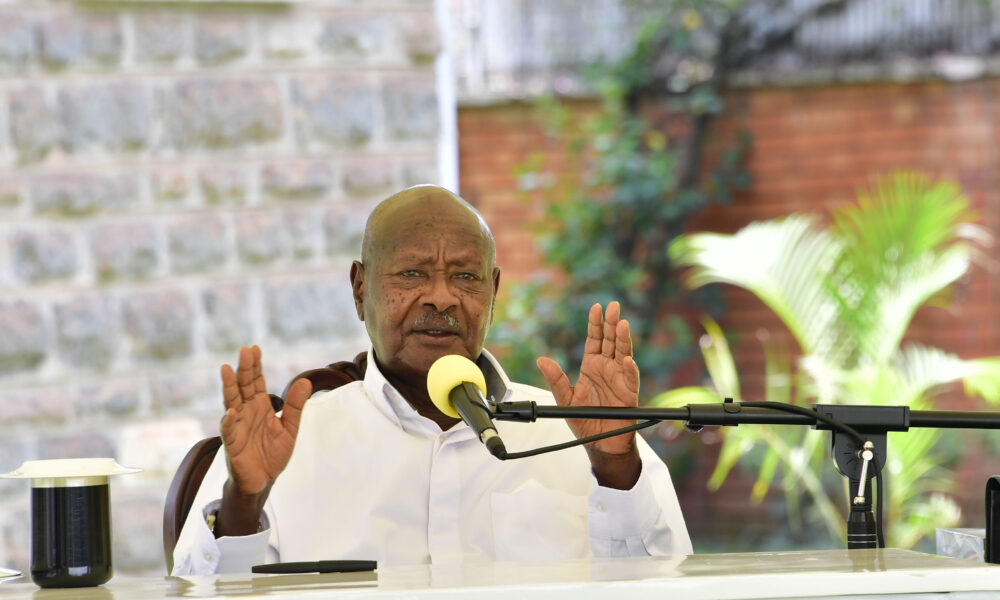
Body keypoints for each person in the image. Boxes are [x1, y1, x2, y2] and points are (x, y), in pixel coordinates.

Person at [171, 185, 691, 574]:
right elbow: (201, 592)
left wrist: (614, 467)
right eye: (412, 274)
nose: (441, 297)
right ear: (360, 289)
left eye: (465, 276)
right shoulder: (287, 443)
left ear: (493, 292)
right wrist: (245, 501)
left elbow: (668, 583)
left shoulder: (577, 433)